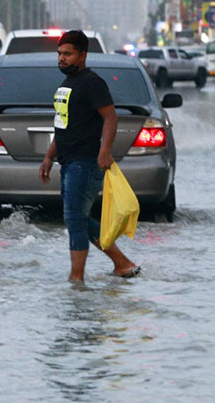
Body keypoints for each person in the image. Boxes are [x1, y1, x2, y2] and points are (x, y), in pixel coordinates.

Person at [39, 30, 140, 283]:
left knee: (74, 218)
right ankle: (123, 264)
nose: (62, 59)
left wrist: (104, 151)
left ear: (82, 55)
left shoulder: (92, 82)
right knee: (78, 218)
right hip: (68, 160)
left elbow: (110, 117)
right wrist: (49, 156)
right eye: (60, 54)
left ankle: (76, 280)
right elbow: (62, 125)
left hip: (85, 162)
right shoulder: (66, 85)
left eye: (68, 54)